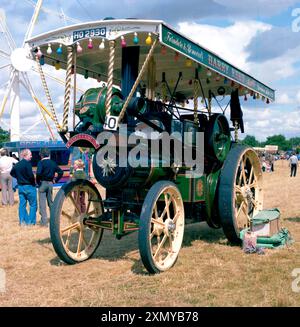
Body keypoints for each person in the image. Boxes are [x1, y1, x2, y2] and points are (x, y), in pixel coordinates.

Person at [36, 147, 63, 227]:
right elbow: (60, 172)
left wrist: (38, 182)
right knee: (51, 202)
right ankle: (54, 220)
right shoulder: (52, 162)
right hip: (50, 183)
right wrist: (56, 180)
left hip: (43, 183)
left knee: (42, 204)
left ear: (41, 155)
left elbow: (38, 173)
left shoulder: (41, 163)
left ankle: (44, 222)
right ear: (49, 154)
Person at [10, 149, 37, 225]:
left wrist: (18, 177)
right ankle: (31, 222)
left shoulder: (17, 164)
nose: (31, 156)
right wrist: (33, 182)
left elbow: (11, 173)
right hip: (29, 186)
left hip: (21, 187)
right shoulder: (28, 164)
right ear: (26, 155)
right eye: (30, 155)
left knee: (22, 205)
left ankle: (22, 221)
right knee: (33, 205)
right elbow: (31, 176)